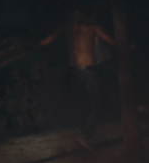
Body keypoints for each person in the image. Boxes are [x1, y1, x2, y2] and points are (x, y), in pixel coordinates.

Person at [40, 9, 116, 149]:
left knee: (82, 102)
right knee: (95, 102)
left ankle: (83, 133)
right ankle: (85, 135)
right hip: (88, 70)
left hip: (73, 70)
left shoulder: (66, 28)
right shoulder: (93, 29)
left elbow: (45, 42)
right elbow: (111, 41)